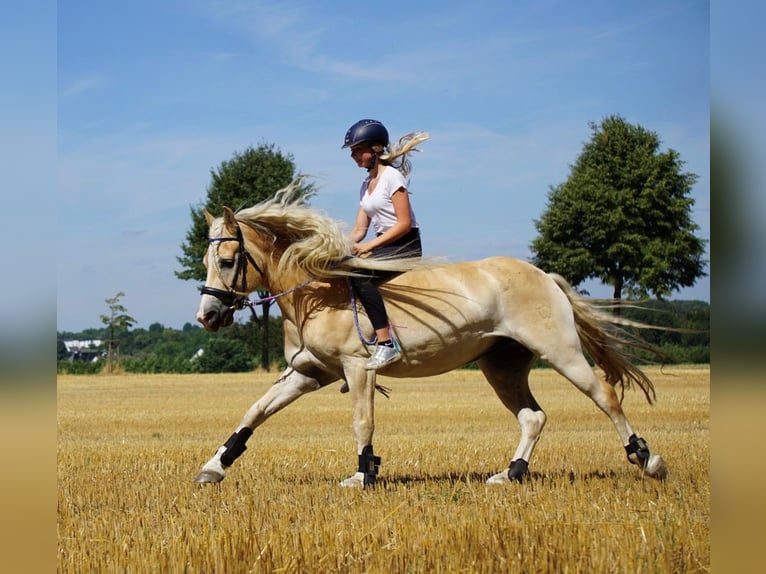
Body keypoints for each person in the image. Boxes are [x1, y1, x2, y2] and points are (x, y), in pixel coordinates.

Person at [342, 119, 430, 370]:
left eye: (358, 150)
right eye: (352, 151)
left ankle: (386, 345)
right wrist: (334, 248)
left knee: (360, 276)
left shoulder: (393, 177)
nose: (353, 155)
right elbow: (359, 229)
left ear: (376, 149)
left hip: (405, 246)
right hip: (383, 246)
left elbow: (403, 224)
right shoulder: (365, 186)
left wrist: (369, 247)